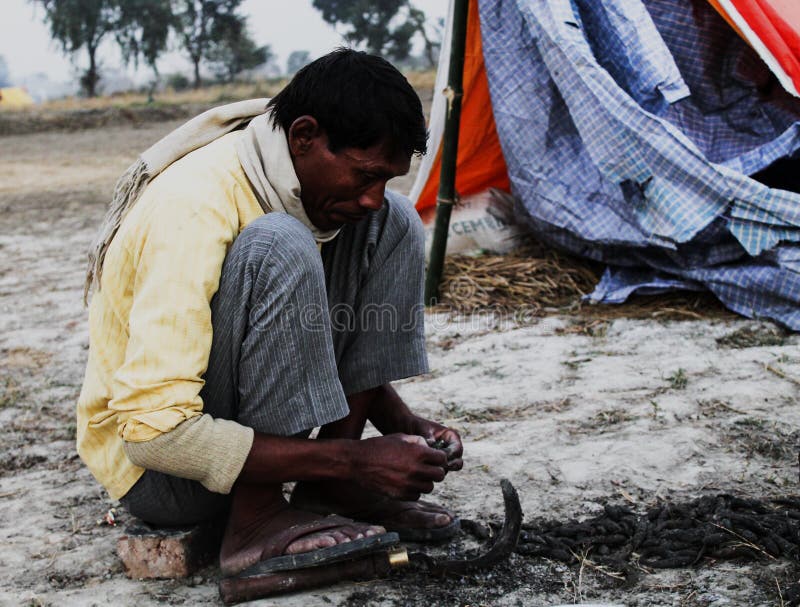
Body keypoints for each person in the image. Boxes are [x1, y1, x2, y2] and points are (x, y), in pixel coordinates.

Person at [76, 49, 463, 577]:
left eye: (387, 177)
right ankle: (255, 519)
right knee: (280, 244)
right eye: (365, 175)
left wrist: (398, 422)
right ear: (303, 136)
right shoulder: (195, 205)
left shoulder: (290, 178)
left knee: (394, 221)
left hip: (249, 440)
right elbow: (153, 433)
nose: (372, 195)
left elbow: (302, 330)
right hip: (166, 481)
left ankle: (329, 486)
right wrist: (359, 459)